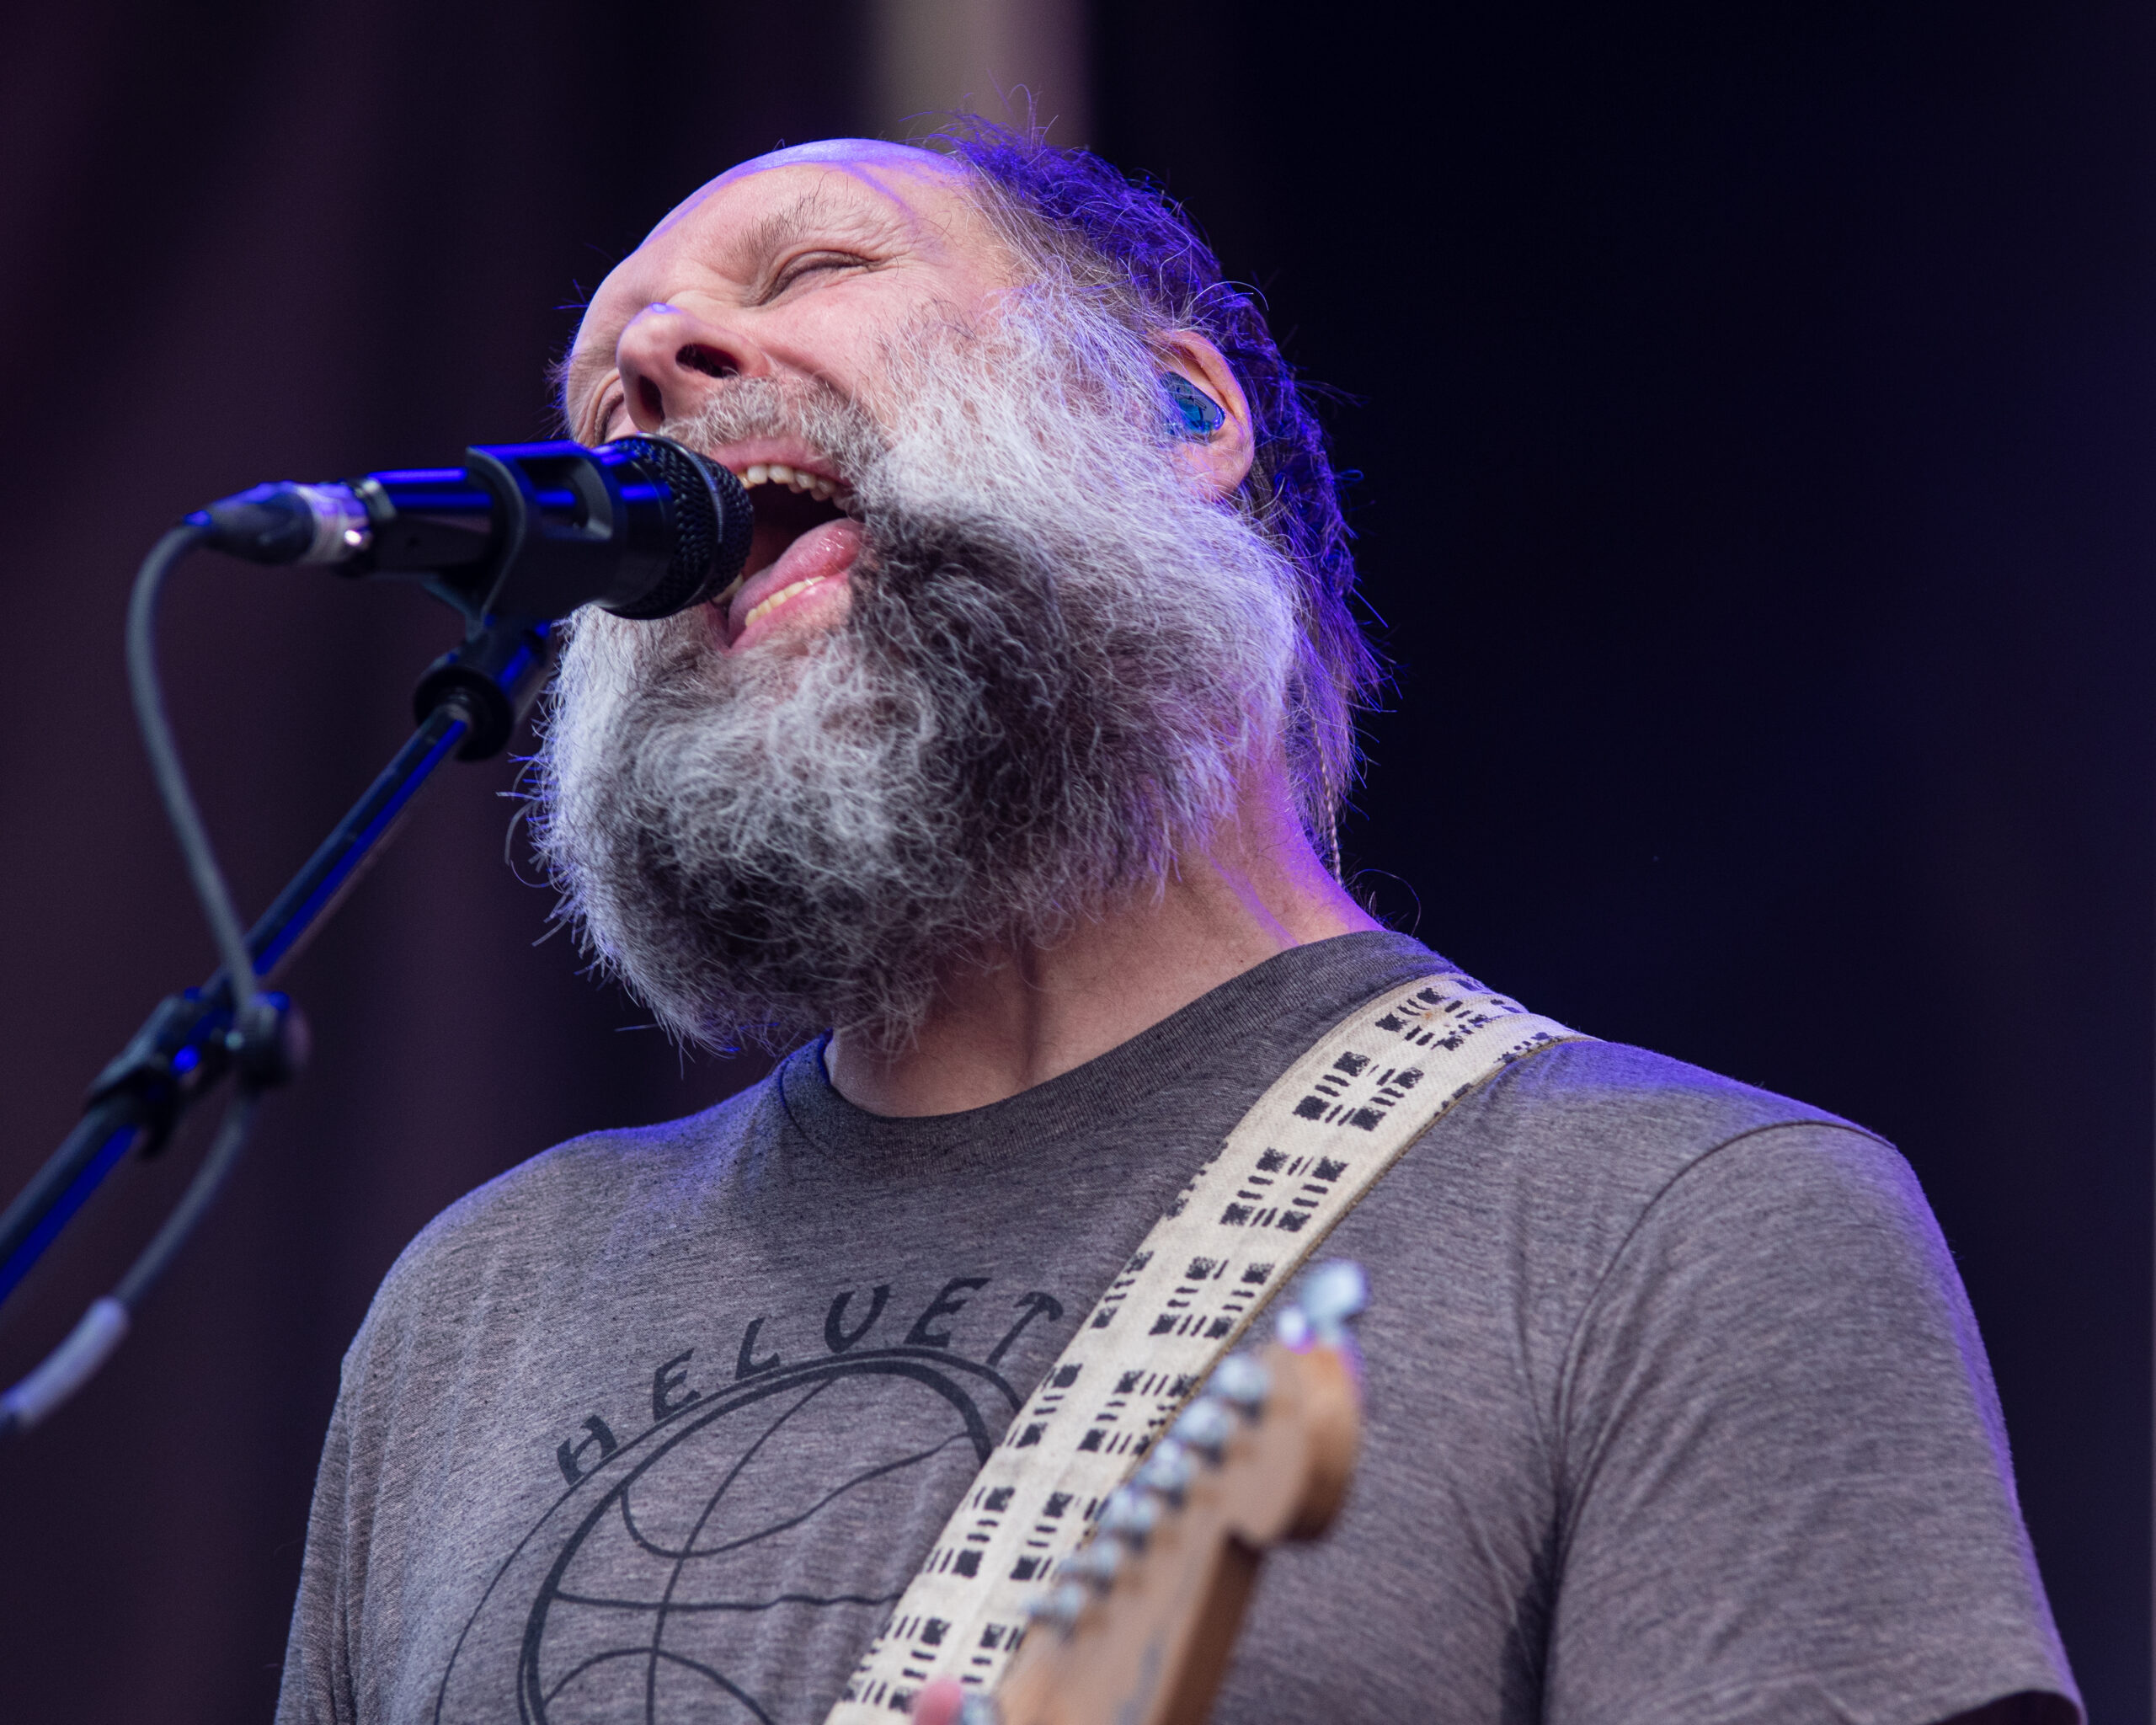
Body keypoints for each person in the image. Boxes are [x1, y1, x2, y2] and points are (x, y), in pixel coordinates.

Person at [274, 121, 2080, 1725]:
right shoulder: (479, 1306)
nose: (653, 368)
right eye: (604, 398)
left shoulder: (1678, 1224)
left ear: (1181, 409)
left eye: (814, 265)